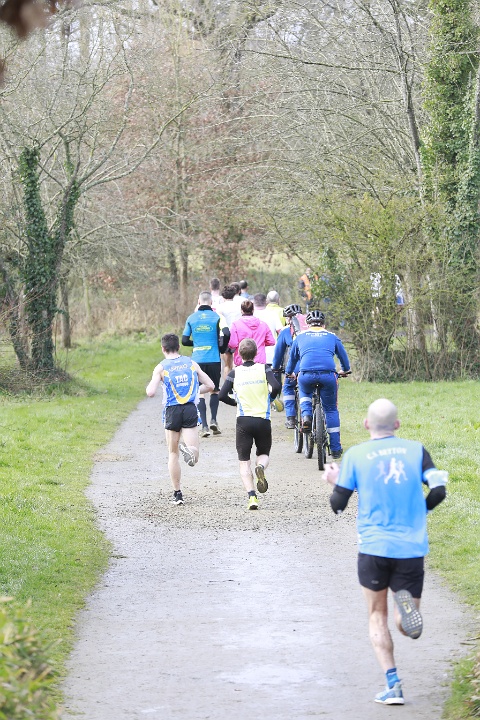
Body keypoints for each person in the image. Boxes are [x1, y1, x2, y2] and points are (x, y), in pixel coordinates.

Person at [323, 398, 447, 706]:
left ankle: (393, 685)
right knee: (405, 621)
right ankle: (405, 616)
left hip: (374, 547)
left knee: (376, 615)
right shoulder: (416, 450)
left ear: (367, 424)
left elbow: (338, 504)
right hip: (411, 548)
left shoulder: (355, 455)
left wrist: (336, 481)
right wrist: (421, 511)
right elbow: (439, 490)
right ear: (397, 425)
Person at [146, 333, 215, 505]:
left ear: (163, 349)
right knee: (194, 454)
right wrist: (195, 392)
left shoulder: (161, 367)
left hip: (172, 411)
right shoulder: (191, 363)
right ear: (179, 347)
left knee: (172, 454)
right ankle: (190, 451)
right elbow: (211, 385)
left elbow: (151, 392)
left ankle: (177, 494)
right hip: (190, 409)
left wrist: (155, 382)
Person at [218, 338, 281, 510]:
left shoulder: (234, 373)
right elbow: (276, 386)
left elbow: (221, 395)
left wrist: (235, 403)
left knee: (244, 461)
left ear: (239, 354)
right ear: (256, 353)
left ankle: (252, 497)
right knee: (263, 453)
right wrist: (270, 399)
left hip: (243, 421)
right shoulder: (264, 368)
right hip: (262, 419)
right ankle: (260, 467)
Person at [285, 309, 350, 458]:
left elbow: (292, 359)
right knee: (331, 410)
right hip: (328, 375)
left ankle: (306, 416)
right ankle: (335, 449)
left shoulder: (300, 337)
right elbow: (343, 358)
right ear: (323, 324)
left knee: (304, 391)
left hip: (306, 375)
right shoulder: (332, 336)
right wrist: (345, 370)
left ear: (308, 324)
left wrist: (289, 373)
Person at [182, 291, 230, 437]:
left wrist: (196, 343)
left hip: (197, 360)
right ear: (211, 302)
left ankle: (204, 426)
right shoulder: (218, 317)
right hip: (214, 358)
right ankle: (214, 420)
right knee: (214, 390)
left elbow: (184, 340)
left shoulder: (191, 318)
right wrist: (221, 347)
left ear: (198, 301)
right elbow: (227, 333)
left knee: (200, 392)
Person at [271, 304, 307, 429]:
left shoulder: (286, 331)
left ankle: (291, 418)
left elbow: (278, 353)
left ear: (288, 318)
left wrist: (275, 368)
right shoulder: (309, 328)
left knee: (288, 387)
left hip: (296, 367)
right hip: (314, 366)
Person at [228, 299, 276, 367]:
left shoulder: (236, 325)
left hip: (242, 359)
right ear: (253, 310)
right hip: (259, 360)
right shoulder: (263, 324)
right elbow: (271, 341)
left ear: (241, 310)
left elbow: (233, 344)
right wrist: (261, 343)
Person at [253, 293, 283, 366]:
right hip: (271, 354)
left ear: (253, 302)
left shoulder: (250, 315)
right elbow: (281, 332)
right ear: (266, 301)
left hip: (253, 355)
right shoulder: (273, 314)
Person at [220, 284, 242, 379]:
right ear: (234, 295)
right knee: (237, 364)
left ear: (223, 296)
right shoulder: (239, 306)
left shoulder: (220, 307)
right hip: (237, 335)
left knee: (227, 365)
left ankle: (227, 385)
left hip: (225, 336)